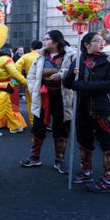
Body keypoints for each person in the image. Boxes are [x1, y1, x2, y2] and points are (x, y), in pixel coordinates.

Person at [63, 32, 110, 192]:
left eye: (102, 41)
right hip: (82, 108)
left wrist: (80, 86)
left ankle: (108, 179)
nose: (101, 43)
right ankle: (86, 171)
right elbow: (68, 83)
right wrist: (72, 75)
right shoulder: (78, 60)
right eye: (97, 41)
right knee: (84, 141)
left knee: (109, 143)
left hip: (104, 109)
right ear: (86, 44)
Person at [20, 30, 74, 174]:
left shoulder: (71, 56)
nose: (44, 41)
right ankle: (35, 157)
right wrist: (33, 89)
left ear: (56, 41)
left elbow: (75, 72)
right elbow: (31, 75)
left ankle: (59, 159)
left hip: (62, 97)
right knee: (38, 126)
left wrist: (62, 75)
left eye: (47, 39)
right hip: (42, 97)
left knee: (61, 128)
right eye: (43, 39)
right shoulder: (40, 57)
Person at [0, 47, 27, 136]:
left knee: (7, 108)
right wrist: (26, 82)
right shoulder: (8, 60)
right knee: (0, 108)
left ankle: (15, 126)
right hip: (4, 87)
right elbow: (14, 73)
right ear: (8, 52)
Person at [15, 40, 42, 126]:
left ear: (31, 48)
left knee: (30, 103)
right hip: (43, 83)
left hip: (29, 83)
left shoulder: (25, 56)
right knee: (42, 103)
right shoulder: (43, 56)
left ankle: (33, 122)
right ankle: (41, 122)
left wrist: (22, 80)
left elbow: (16, 67)